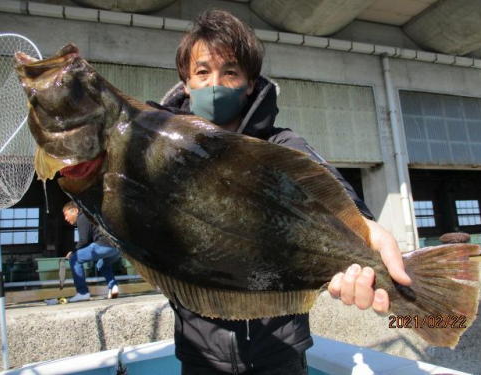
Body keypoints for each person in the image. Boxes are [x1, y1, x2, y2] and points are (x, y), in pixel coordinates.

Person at [149, 10, 412, 374]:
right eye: (202, 72)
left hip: (278, 352)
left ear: (250, 84)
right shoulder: (162, 153)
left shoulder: (283, 144)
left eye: (230, 72)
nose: (215, 84)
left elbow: (333, 191)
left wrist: (368, 230)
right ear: (186, 82)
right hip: (199, 350)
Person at [62, 201, 121, 302]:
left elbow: (83, 240)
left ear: (75, 211)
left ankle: (82, 292)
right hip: (117, 248)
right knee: (102, 265)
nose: (65, 218)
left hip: (104, 245)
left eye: (66, 215)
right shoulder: (90, 215)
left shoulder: (82, 216)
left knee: (74, 259)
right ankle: (113, 287)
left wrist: (73, 252)